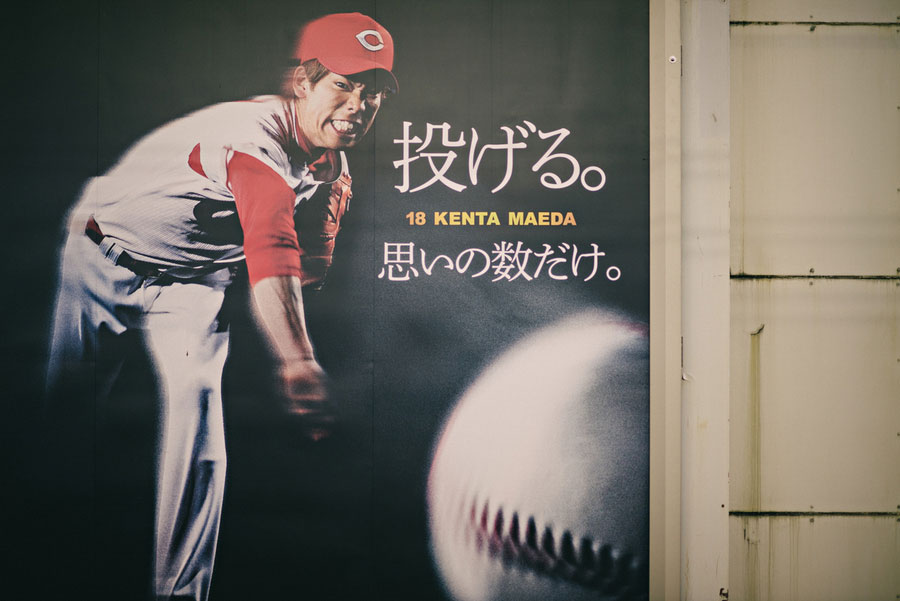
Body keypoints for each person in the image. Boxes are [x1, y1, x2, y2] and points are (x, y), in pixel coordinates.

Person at [44, 12, 397, 601]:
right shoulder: (251, 138)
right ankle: (35, 550)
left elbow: (300, 271)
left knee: (199, 412)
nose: (359, 105)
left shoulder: (329, 170)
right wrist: (296, 359)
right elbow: (270, 244)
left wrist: (312, 259)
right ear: (301, 82)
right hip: (100, 257)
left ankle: (181, 592)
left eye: (374, 92)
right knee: (59, 418)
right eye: (343, 84)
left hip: (191, 287)